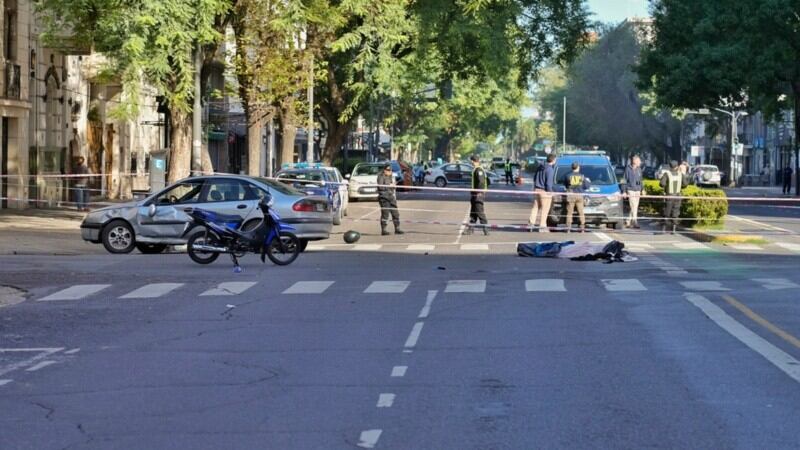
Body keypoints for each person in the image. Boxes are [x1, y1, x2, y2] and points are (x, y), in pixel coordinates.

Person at [529, 153, 556, 232]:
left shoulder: (540, 167)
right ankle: (542, 226)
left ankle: (530, 224)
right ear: (553, 160)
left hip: (537, 189)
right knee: (545, 209)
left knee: (535, 207)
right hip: (544, 191)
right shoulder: (550, 169)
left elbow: (534, 178)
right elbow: (548, 183)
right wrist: (550, 192)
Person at [660, 160, 686, 234]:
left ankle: (663, 230)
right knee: (676, 212)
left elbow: (662, 184)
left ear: (670, 166)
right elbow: (685, 184)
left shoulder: (666, 174)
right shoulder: (680, 174)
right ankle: (673, 230)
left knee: (666, 212)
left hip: (669, 196)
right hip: (678, 196)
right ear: (677, 167)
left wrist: (666, 187)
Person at [377, 164, 403, 235]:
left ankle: (397, 228)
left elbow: (392, 186)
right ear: (384, 170)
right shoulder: (381, 176)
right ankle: (384, 230)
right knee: (385, 214)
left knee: (395, 213)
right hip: (384, 197)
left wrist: (394, 185)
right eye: (388, 170)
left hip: (391, 196)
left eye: (391, 170)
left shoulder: (391, 176)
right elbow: (381, 187)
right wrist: (389, 185)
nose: (390, 172)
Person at [564, 162, 590, 233]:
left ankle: (568, 227)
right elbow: (586, 186)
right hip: (579, 195)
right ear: (578, 167)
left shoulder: (568, 176)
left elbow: (566, 185)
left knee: (569, 212)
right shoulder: (582, 176)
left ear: (572, 168)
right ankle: (582, 227)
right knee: (581, 211)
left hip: (571, 195)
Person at [466, 154, 489, 235]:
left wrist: (479, 192)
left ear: (473, 161)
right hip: (474, 194)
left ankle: (486, 229)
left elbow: (481, 182)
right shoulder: (476, 169)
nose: (471, 163)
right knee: (473, 212)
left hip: (478, 194)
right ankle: (470, 229)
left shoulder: (479, 170)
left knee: (479, 211)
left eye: (471, 161)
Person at [624, 155, 644, 228]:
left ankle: (628, 220)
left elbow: (640, 180)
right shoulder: (628, 169)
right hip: (630, 189)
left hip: (637, 190)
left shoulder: (639, 169)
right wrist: (624, 191)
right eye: (639, 161)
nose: (640, 162)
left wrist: (642, 189)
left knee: (634, 206)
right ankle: (635, 222)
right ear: (634, 161)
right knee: (633, 205)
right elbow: (624, 180)